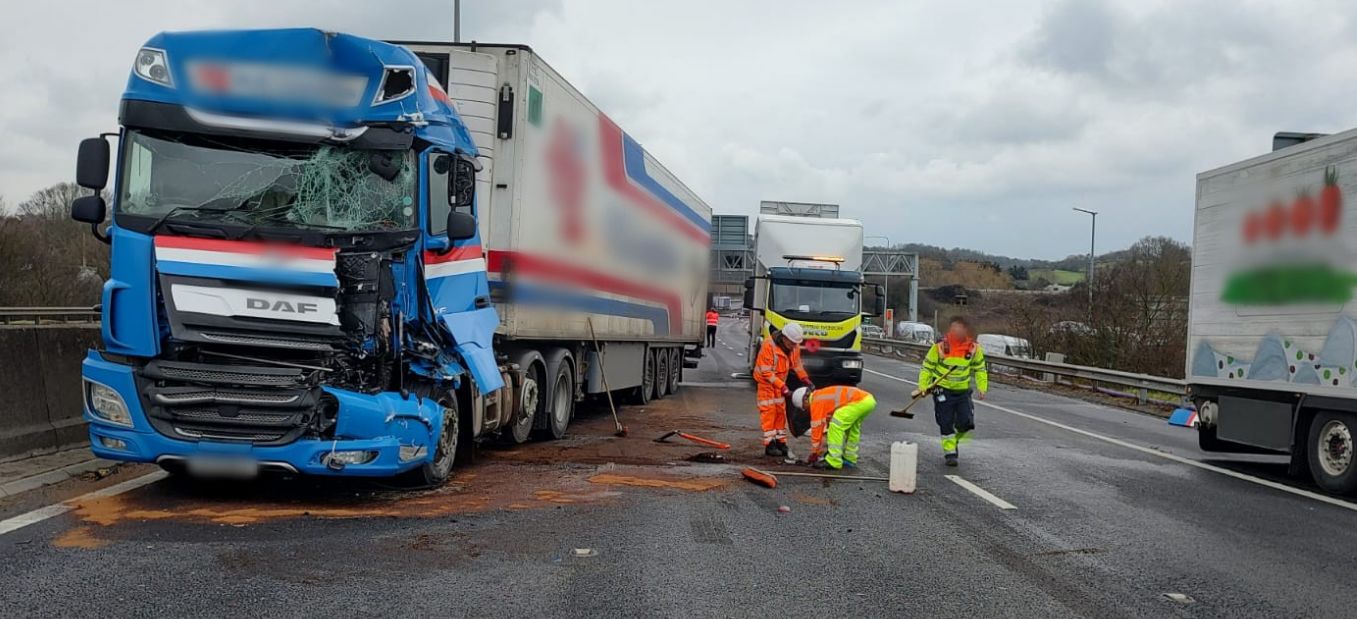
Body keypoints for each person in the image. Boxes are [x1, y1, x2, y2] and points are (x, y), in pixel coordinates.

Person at [917, 316, 988, 467]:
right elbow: (927, 368)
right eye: (953, 328)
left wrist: (982, 387)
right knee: (946, 421)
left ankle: (954, 439)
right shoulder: (940, 347)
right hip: (942, 390)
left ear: (965, 330)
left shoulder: (973, 348)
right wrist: (923, 386)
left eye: (959, 328)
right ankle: (950, 453)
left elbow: (980, 369)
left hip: (962, 392)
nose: (956, 331)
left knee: (966, 423)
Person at [752, 322, 812, 457]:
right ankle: (770, 444)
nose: (793, 346)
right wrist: (783, 387)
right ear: (784, 338)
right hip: (766, 384)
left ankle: (781, 442)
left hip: (780, 383)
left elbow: (796, 365)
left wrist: (805, 378)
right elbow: (766, 373)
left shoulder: (794, 347)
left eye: (795, 343)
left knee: (780, 413)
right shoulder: (768, 346)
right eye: (791, 343)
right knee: (769, 412)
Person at [791, 385, 876, 470]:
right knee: (852, 430)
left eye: (804, 407)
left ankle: (834, 460)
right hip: (867, 400)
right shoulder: (820, 396)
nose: (806, 409)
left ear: (805, 400)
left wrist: (815, 453)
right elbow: (826, 419)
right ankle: (850, 458)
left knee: (835, 426)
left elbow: (817, 430)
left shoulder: (815, 403)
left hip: (858, 402)